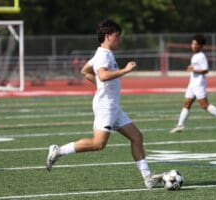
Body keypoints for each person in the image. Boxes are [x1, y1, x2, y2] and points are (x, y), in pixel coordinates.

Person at [46, 19, 163, 189]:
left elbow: (84, 71)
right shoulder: (103, 55)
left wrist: (101, 86)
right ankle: (58, 151)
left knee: (137, 137)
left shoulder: (101, 53)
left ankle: (148, 178)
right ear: (108, 36)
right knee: (98, 144)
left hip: (113, 106)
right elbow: (103, 76)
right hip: (106, 106)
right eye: (117, 36)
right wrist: (125, 70)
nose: (119, 39)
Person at [170, 34, 216, 133]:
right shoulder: (195, 56)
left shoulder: (201, 56)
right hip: (192, 84)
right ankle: (180, 125)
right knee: (186, 104)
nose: (192, 46)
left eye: (195, 44)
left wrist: (194, 70)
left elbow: (206, 70)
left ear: (200, 46)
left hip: (199, 84)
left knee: (205, 106)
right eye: (192, 43)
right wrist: (192, 68)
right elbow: (196, 68)